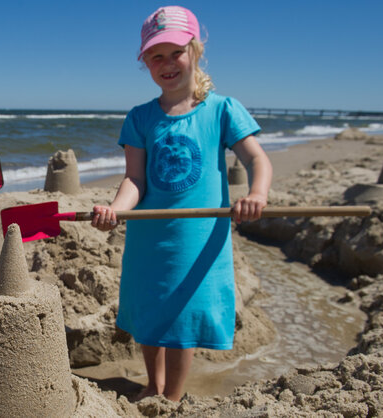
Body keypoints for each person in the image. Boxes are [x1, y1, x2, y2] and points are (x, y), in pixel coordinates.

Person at [91, 6, 272, 402]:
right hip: (148, 237)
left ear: (196, 51)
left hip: (197, 237)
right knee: (149, 311)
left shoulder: (222, 109)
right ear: (145, 63)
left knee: (182, 316)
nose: (167, 63)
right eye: (156, 55)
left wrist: (256, 195)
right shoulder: (140, 118)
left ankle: (171, 398)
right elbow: (134, 179)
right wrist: (116, 210)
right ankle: (151, 386)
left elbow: (257, 159)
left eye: (176, 52)